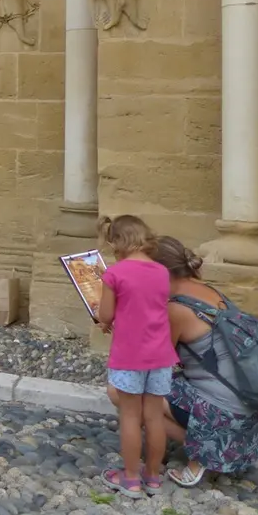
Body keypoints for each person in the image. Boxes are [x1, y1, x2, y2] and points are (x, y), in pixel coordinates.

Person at [151, 236, 258, 487]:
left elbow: (155, 360)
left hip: (226, 414)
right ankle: (225, 447)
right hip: (254, 407)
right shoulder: (210, 291)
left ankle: (206, 453)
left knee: (125, 391)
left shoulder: (176, 308)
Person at [96, 214, 176, 499]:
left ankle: (130, 479)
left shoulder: (114, 274)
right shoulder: (162, 271)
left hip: (129, 355)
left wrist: (102, 319)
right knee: (154, 416)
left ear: (116, 242)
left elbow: (106, 314)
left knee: (130, 416)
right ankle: (153, 477)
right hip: (160, 354)